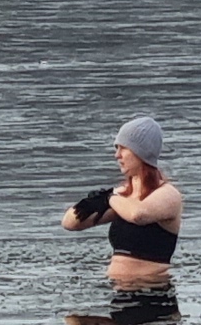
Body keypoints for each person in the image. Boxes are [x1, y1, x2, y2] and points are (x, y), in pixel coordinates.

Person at [60, 116, 183, 287]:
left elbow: (138, 214)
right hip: (119, 293)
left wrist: (109, 198)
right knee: (71, 316)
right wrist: (91, 203)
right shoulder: (122, 197)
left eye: (123, 148)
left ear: (141, 153)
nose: (117, 155)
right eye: (116, 148)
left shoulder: (168, 194)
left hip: (153, 292)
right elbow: (70, 223)